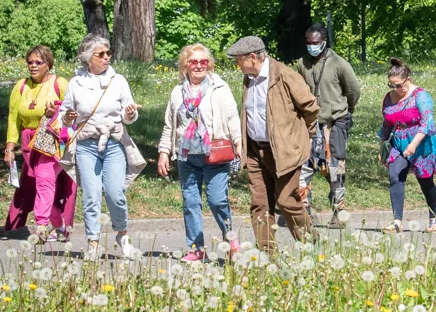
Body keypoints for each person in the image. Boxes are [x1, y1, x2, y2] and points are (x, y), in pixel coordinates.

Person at [227, 35, 319, 254]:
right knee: (260, 204)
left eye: (238, 59)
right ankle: (268, 255)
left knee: (287, 201)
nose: (236, 64)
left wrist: (299, 139)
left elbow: (311, 108)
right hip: (255, 152)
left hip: (284, 152)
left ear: (252, 57)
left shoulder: (285, 76)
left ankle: (311, 246)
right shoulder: (249, 77)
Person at [55, 34, 143, 260]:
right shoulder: (76, 83)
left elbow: (128, 114)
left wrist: (130, 114)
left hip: (114, 143)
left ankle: (122, 235)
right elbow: (64, 114)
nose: (107, 57)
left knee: (115, 193)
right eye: (100, 54)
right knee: (92, 195)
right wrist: (68, 118)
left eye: (108, 53)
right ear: (87, 58)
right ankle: (92, 242)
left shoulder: (118, 80)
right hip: (86, 145)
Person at [156, 44, 242, 261]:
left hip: (214, 153)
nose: (199, 66)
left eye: (203, 62)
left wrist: (239, 142)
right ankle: (196, 249)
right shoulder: (177, 92)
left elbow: (232, 116)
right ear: (185, 65)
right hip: (187, 156)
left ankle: (231, 239)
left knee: (216, 200)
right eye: (194, 62)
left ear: (209, 65)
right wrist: (164, 152)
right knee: (191, 203)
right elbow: (170, 124)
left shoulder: (219, 88)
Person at [295, 23, 362, 228]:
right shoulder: (302, 63)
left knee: (335, 170)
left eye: (315, 43)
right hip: (310, 125)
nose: (311, 46)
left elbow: (354, 90)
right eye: (308, 43)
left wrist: (344, 111)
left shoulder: (339, 64)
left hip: (334, 124)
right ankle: (305, 212)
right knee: (304, 169)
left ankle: (338, 213)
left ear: (324, 42)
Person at [3, 46, 72, 240]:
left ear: (48, 64)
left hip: (53, 140)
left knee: (44, 179)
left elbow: (72, 111)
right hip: (29, 143)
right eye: (30, 62)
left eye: (38, 62)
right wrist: (10, 147)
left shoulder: (60, 84)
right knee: (42, 183)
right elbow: (13, 118)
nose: (33, 66)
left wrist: (55, 112)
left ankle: (41, 226)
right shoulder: (21, 86)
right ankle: (59, 226)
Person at [379, 59, 436, 232]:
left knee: (425, 181)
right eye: (391, 86)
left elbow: (426, 124)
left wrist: (413, 145)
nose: (395, 90)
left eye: (398, 85)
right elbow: (386, 124)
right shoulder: (389, 98)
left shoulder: (420, 96)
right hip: (398, 142)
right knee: (395, 177)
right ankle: (397, 221)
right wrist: (382, 147)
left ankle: (434, 217)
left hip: (420, 143)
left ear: (407, 79)